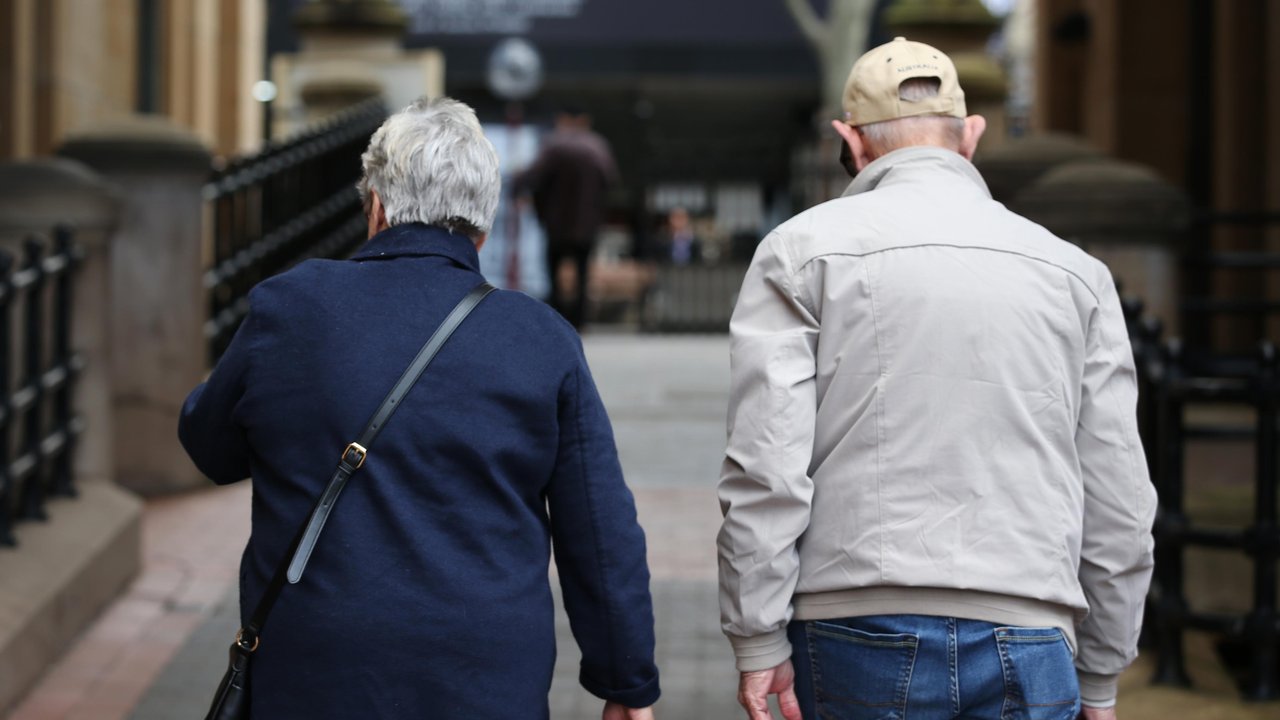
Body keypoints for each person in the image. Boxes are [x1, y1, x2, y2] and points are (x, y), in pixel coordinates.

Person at [717, 37, 1156, 720]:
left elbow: (766, 466)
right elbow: (1120, 495)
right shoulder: (1076, 274)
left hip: (854, 619)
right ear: (971, 136)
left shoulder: (799, 252)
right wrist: (1103, 668)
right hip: (1032, 623)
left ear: (850, 143)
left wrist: (756, 632)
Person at [179, 97, 659, 719]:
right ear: (482, 230)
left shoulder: (291, 307)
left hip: (315, 672)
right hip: (485, 679)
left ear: (375, 206)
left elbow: (209, 447)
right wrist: (625, 682)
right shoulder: (542, 338)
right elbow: (597, 530)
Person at [514, 104, 619, 329]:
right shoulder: (597, 147)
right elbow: (610, 180)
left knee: (553, 273)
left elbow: (530, 177)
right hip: (587, 223)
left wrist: (519, 190)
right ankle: (580, 321)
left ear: (562, 119)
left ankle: (558, 319)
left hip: (556, 223)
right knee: (582, 273)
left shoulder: (553, 146)